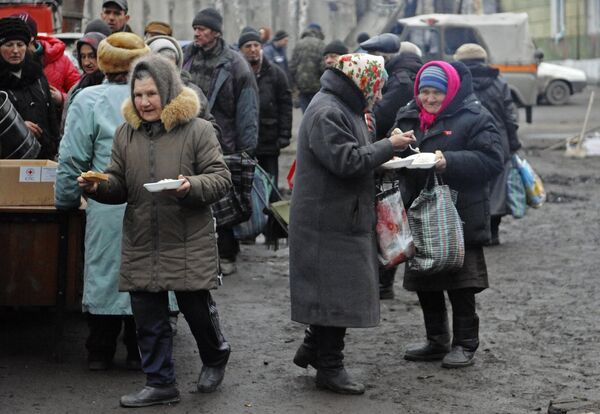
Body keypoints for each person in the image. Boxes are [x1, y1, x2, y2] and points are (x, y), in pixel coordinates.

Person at [77, 54, 232, 408]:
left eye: (151, 94)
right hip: (142, 237)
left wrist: (189, 186)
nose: (145, 102)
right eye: (138, 95)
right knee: (148, 317)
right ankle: (160, 382)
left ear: (167, 90)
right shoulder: (125, 133)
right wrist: (98, 186)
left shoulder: (197, 130)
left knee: (195, 311)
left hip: (186, 238)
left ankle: (215, 354)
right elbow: (119, 182)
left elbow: (220, 178)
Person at [289, 53, 418, 394]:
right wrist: (386, 146)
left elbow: (352, 155)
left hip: (336, 215)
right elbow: (346, 161)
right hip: (328, 220)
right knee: (336, 294)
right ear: (362, 81)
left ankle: (314, 349)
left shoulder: (339, 105)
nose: (378, 95)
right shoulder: (328, 111)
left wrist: (384, 154)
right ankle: (330, 368)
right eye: (376, 87)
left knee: (332, 290)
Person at [394, 61, 504, 368]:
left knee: (461, 282)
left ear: (451, 91)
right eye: (424, 92)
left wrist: (449, 161)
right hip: (419, 210)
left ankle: (465, 343)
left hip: (459, 213)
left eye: (437, 93)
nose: (429, 99)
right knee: (425, 278)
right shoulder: (408, 115)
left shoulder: (474, 117)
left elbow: (493, 159)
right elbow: (397, 153)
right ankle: (436, 340)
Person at [55, 32, 152, 371]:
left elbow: (72, 157)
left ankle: (100, 349)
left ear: (105, 61)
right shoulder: (151, 97)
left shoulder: (88, 99)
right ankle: (142, 349)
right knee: (146, 273)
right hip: (150, 200)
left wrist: (65, 199)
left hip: (104, 200)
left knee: (105, 271)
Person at [182, 7, 259, 275]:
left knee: (222, 200)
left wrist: (246, 150)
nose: (196, 33)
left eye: (201, 29)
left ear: (215, 32)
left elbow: (247, 111)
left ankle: (227, 254)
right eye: (195, 28)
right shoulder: (187, 57)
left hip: (224, 142)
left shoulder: (236, 65)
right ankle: (200, 254)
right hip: (191, 138)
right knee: (195, 196)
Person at [454, 43, 521, 245]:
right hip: (498, 143)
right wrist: (513, 143)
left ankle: (473, 232)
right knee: (497, 190)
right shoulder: (499, 82)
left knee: (472, 187)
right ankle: (494, 232)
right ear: (483, 60)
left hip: (467, 142)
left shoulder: (457, 83)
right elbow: (510, 118)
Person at [238, 27, 292, 194]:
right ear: (241, 50)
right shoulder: (237, 73)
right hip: (243, 143)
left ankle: (272, 219)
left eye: (256, 45)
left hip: (269, 141)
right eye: (248, 46)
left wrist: (284, 134)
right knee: (247, 188)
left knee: (271, 187)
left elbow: (285, 105)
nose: (253, 49)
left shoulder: (276, 74)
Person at [0, 17, 59, 159]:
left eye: (20, 44)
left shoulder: (37, 75)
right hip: (9, 162)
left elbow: (50, 115)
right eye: (9, 44)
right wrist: (17, 127)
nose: (15, 50)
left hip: (43, 157)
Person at [12, 12, 80, 112]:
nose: (14, 49)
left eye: (20, 39)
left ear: (31, 38)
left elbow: (79, 94)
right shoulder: (7, 61)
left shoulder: (62, 60)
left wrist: (61, 98)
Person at [60, 31, 107, 134]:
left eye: (92, 56)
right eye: (83, 56)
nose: (86, 62)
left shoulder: (110, 88)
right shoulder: (76, 89)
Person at [289, 24, 325, 112]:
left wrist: (293, 86)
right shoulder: (321, 44)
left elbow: (292, 66)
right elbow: (323, 67)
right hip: (317, 88)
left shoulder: (298, 44)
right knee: (317, 113)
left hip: (301, 87)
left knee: (306, 114)